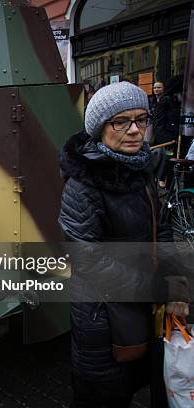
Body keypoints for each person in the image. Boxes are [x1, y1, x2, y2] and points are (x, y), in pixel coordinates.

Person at [58, 82, 190, 407]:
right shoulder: (83, 185)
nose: (134, 130)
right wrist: (155, 288)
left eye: (141, 120)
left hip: (144, 307)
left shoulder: (141, 168)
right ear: (100, 128)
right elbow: (87, 259)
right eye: (121, 122)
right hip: (103, 320)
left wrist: (174, 284)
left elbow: (163, 229)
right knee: (104, 397)